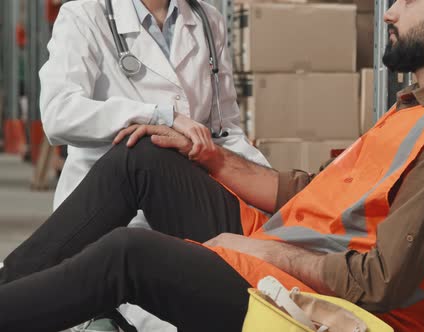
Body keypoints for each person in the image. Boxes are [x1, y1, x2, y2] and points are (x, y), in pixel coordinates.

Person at [0, 0, 424, 331]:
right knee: (144, 156)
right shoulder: (419, 106)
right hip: (293, 243)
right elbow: (321, 193)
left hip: (317, 301)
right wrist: (213, 158)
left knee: (128, 255)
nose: (390, 12)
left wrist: (261, 250)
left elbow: (376, 284)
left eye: (407, 0)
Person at [37, 0, 267, 330]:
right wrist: (158, 116)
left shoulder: (206, 19)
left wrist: (274, 194)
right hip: (106, 204)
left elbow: (225, 129)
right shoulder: (85, 13)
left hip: (179, 201)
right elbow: (60, 114)